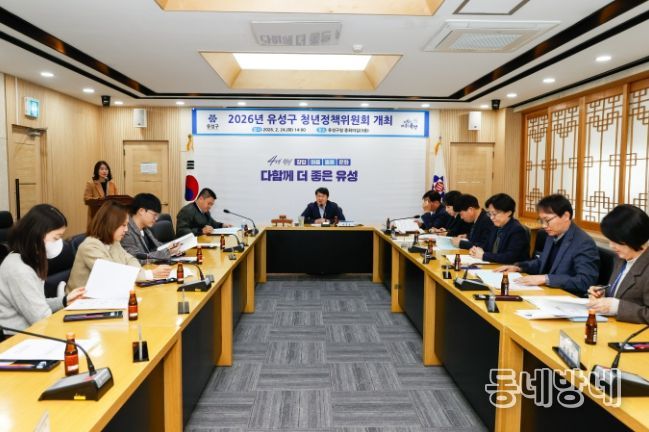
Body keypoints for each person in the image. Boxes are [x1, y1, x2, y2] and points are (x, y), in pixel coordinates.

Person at [0, 205, 85, 331]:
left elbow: (36, 303)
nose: (59, 243)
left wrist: (64, 301)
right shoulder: (19, 269)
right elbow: (41, 318)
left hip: (32, 331)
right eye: (56, 238)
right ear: (37, 233)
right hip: (18, 337)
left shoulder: (28, 261)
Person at [496, 194, 599, 295]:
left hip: (565, 297)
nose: (544, 226)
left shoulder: (583, 242)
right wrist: (519, 267)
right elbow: (541, 263)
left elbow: (585, 281)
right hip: (545, 293)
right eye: (541, 221)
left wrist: (546, 279)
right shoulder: (551, 234)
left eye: (547, 220)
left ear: (566, 216)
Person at [67, 201, 172, 291]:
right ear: (111, 224)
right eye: (123, 225)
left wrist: (143, 274)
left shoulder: (113, 242)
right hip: (81, 300)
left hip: (107, 292)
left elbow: (130, 259)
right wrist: (149, 274)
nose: (126, 230)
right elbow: (112, 274)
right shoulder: (90, 246)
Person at [587, 205, 649, 324]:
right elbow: (622, 291)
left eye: (616, 241)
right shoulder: (621, 258)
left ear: (633, 238)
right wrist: (603, 293)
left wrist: (617, 307)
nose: (611, 246)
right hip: (613, 326)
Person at [121, 193, 181, 264]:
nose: (156, 218)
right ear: (141, 211)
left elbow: (158, 246)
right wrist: (167, 253)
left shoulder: (145, 229)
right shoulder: (126, 231)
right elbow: (136, 259)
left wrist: (172, 249)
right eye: (154, 215)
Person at [469, 193, 529, 264]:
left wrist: (483, 255)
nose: (491, 218)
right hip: (494, 265)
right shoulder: (495, 226)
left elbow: (509, 257)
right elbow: (487, 245)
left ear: (508, 213)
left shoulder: (517, 230)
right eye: (490, 214)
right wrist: (476, 249)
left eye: (494, 214)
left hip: (511, 268)